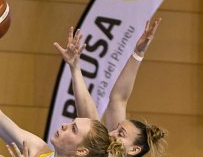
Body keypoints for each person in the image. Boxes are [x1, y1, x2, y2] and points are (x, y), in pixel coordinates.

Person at [0, 31, 125, 157]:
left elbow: (116, 100)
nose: (64, 125)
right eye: (72, 123)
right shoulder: (39, 149)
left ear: (81, 151)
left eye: (73, 129)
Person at [53, 18, 167, 157]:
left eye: (121, 133)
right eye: (117, 129)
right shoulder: (105, 149)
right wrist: (138, 53)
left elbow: (91, 116)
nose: (111, 133)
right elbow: (118, 98)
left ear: (133, 149)